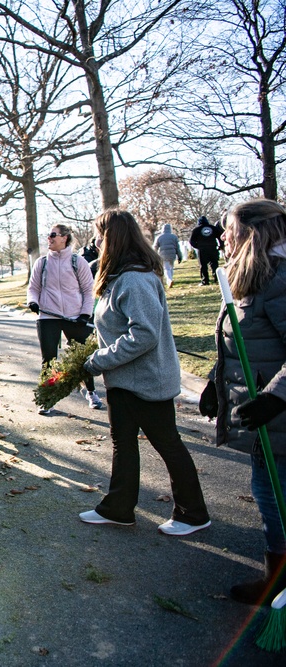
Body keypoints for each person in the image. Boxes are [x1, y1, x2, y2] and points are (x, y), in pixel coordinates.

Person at [81, 209, 211, 536]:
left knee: (168, 444)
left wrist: (99, 360)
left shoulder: (135, 279)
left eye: (99, 235)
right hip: (124, 381)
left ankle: (193, 514)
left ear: (112, 238)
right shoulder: (119, 277)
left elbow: (144, 335)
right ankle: (118, 509)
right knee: (123, 444)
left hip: (146, 382)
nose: (95, 242)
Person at [199, 199, 286, 604]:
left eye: (229, 230)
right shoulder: (248, 276)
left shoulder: (280, 278)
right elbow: (235, 344)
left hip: (278, 418)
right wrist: (215, 386)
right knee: (268, 492)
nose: (223, 237)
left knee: (274, 496)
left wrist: (276, 397)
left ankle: (279, 581)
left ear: (252, 232)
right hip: (261, 417)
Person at [26, 223, 103, 413]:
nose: (49, 239)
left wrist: (85, 313)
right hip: (47, 316)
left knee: (83, 357)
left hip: (75, 316)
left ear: (65, 238)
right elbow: (33, 288)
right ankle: (48, 398)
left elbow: (88, 290)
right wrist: (33, 301)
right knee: (49, 359)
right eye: (49, 235)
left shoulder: (78, 262)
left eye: (53, 235)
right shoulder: (42, 263)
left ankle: (91, 392)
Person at [189, 215, 225, 285]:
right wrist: (221, 246)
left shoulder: (196, 230)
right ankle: (217, 279)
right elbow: (221, 237)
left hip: (202, 250)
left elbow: (191, 241)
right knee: (214, 264)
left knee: (203, 266)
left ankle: (205, 281)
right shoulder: (213, 228)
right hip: (213, 248)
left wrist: (197, 246)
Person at [153, 223, 183, 288]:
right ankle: (170, 279)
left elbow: (155, 247)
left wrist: (153, 255)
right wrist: (180, 256)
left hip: (163, 255)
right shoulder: (174, 237)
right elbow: (177, 248)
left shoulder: (159, 237)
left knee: (166, 268)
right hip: (172, 254)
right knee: (171, 268)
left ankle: (169, 280)